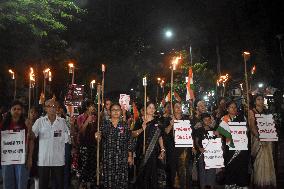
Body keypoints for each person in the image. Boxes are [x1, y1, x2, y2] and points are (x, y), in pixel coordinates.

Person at [31, 99, 68, 189]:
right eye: (50, 106)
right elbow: (32, 137)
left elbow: (68, 139)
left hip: (58, 160)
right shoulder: (39, 121)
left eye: (54, 106)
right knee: (43, 185)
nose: (52, 108)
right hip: (44, 160)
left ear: (57, 109)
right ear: (45, 108)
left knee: (59, 185)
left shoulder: (62, 122)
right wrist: (29, 127)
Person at [99, 103, 134, 188]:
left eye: (117, 110)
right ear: (110, 112)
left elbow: (129, 141)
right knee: (109, 179)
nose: (115, 111)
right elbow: (100, 140)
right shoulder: (104, 124)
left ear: (121, 112)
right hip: (108, 157)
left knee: (121, 179)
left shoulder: (125, 125)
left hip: (122, 157)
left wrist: (130, 156)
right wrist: (97, 136)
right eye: (113, 110)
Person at [217, 100, 250, 189]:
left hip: (241, 147)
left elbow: (246, 130)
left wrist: (244, 130)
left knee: (241, 166)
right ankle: (231, 185)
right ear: (227, 109)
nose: (234, 109)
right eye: (231, 107)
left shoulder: (242, 117)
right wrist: (231, 135)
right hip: (230, 147)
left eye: (235, 107)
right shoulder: (224, 119)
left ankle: (242, 185)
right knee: (231, 166)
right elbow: (221, 131)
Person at [133, 101, 166, 189]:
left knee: (152, 174)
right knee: (142, 174)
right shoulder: (140, 120)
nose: (151, 109)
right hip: (141, 151)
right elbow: (133, 134)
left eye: (153, 108)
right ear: (145, 108)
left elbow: (160, 137)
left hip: (153, 152)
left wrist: (162, 150)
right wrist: (141, 129)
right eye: (149, 107)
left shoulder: (158, 122)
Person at [248, 94, 277, 189]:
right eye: (258, 99)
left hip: (267, 140)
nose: (260, 101)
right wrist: (259, 137)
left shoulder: (267, 112)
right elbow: (252, 126)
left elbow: (270, 125)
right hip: (257, 140)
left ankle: (267, 182)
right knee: (258, 162)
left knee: (268, 161)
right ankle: (258, 183)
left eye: (262, 99)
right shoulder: (251, 112)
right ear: (255, 101)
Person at [0, 100, 30, 189]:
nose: (17, 111)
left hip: (21, 159)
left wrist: (30, 128)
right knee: (8, 183)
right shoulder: (4, 124)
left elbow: (31, 139)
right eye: (14, 109)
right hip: (7, 159)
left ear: (22, 111)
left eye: (19, 109)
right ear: (10, 110)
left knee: (21, 183)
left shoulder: (25, 124)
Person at [162, 102, 192, 189]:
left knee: (184, 172)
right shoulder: (168, 119)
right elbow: (165, 132)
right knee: (174, 171)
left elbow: (190, 134)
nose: (178, 108)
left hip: (184, 150)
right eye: (176, 107)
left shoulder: (186, 119)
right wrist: (171, 125)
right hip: (173, 149)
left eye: (180, 106)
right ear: (173, 109)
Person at [76, 100, 98, 189]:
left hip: (93, 144)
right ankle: (83, 183)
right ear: (87, 107)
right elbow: (81, 131)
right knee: (84, 164)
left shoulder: (95, 117)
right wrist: (87, 121)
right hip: (84, 144)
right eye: (91, 106)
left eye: (93, 106)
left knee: (92, 164)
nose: (93, 108)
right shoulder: (80, 117)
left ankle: (91, 182)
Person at [194, 113, 218, 189]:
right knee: (202, 171)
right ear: (202, 121)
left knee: (212, 170)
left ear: (211, 120)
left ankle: (211, 186)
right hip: (202, 153)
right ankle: (202, 186)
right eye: (205, 120)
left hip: (211, 154)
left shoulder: (214, 130)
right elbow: (196, 141)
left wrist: (217, 135)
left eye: (208, 119)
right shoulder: (199, 130)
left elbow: (217, 142)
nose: (207, 121)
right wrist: (199, 148)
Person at [25, 106, 40, 189]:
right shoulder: (25, 123)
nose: (33, 114)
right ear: (28, 114)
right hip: (27, 152)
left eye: (34, 112)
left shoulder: (40, 123)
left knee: (36, 174)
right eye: (31, 112)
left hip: (37, 151)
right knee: (27, 173)